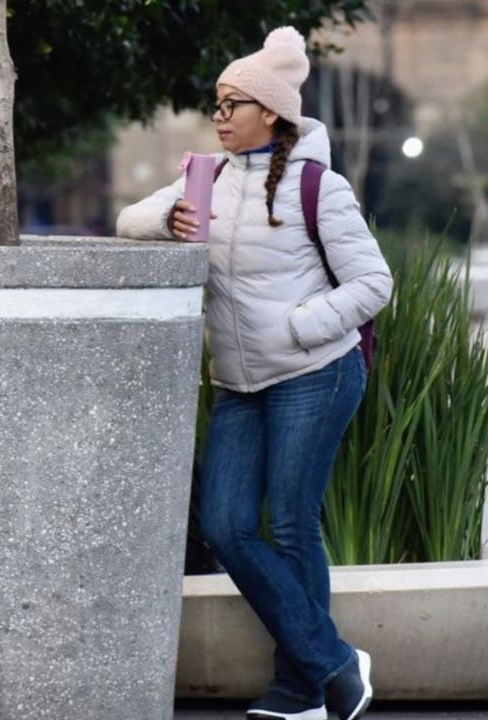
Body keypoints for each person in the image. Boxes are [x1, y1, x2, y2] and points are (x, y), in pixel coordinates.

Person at [117, 26, 392, 720]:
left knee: (294, 524)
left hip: (315, 373)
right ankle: (334, 662)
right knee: (227, 524)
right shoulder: (202, 177)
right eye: (216, 101)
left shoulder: (316, 187)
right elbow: (127, 219)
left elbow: (374, 282)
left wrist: (300, 325)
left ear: (270, 112)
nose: (219, 114)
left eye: (233, 103)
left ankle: (302, 692)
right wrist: (169, 218)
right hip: (239, 383)